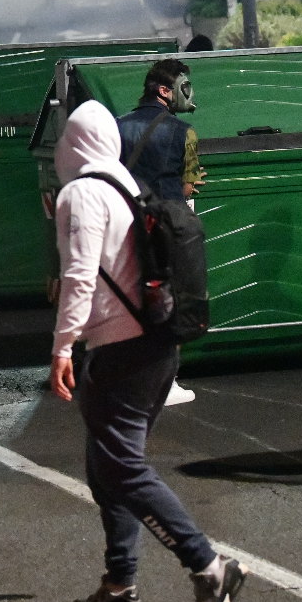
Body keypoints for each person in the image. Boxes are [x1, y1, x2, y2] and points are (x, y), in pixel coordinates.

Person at [49, 100, 248, 602]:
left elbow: (80, 276)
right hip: (157, 343)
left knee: (121, 467)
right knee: (106, 463)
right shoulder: (125, 183)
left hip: (122, 349)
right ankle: (120, 586)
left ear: (72, 144)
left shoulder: (82, 193)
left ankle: (207, 565)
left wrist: (63, 346)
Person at [115, 58, 204, 406]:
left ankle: (131, 378)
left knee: (131, 303)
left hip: (126, 225)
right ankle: (165, 383)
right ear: (165, 91)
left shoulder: (117, 127)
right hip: (167, 228)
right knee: (172, 305)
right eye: (185, 86)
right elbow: (185, 187)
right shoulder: (185, 132)